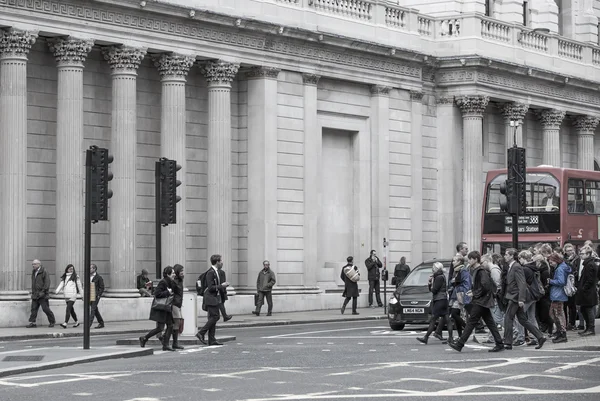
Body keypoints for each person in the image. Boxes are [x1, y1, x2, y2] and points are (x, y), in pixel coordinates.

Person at [448, 251, 504, 353]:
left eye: (470, 259)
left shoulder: (481, 271)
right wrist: (473, 291)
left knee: (471, 322)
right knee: (490, 323)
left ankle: (460, 344)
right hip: (483, 300)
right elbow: (482, 286)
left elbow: (485, 286)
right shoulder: (478, 270)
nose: (468, 261)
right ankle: (499, 343)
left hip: (481, 301)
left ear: (474, 259)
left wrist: (474, 293)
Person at [501, 248, 546, 349]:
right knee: (523, 320)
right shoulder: (512, 266)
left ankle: (508, 342)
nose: (505, 256)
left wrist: (521, 299)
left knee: (508, 318)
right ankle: (540, 337)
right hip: (514, 296)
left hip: (515, 297)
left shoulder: (516, 267)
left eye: (506, 254)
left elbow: (522, 283)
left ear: (512, 256)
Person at [139, 266, 176, 351]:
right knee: (160, 328)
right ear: (168, 274)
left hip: (166, 307)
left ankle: (165, 345)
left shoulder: (171, 282)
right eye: (173, 273)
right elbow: (157, 293)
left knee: (170, 326)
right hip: (161, 308)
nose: (174, 274)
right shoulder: (163, 282)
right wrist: (168, 292)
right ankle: (144, 338)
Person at [196, 254, 229, 346]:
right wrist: (221, 286)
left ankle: (212, 339)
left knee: (212, 318)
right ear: (217, 262)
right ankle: (201, 333)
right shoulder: (210, 272)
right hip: (210, 298)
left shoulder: (216, 272)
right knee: (215, 317)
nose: (222, 262)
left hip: (214, 297)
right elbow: (210, 288)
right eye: (221, 261)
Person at [417, 262, 451, 344]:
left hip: (439, 300)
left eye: (433, 268)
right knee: (447, 319)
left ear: (436, 269)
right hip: (443, 300)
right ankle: (451, 338)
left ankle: (426, 338)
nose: (432, 269)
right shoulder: (440, 276)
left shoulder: (438, 277)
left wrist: (430, 283)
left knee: (433, 319)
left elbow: (434, 290)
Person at [575, 245, 598, 336]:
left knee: (588, 310)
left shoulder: (590, 265)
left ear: (588, 254)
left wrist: (584, 288)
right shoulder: (588, 264)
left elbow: (590, 280)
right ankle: (588, 328)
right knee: (584, 309)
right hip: (585, 292)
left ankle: (591, 329)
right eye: (580, 253)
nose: (581, 255)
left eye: (582, 253)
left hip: (588, 292)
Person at [26, 259, 56, 328]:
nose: (33, 265)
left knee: (46, 309)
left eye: (34, 264)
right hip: (35, 294)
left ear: (39, 264)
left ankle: (52, 321)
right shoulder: (34, 271)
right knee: (33, 309)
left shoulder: (44, 271)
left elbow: (47, 283)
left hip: (43, 294)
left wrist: (43, 292)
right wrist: (33, 292)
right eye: (32, 264)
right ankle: (32, 323)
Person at [548, 253, 569, 343]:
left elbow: (561, 282)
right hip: (558, 294)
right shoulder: (562, 267)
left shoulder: (560, 269)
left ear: (556, 260)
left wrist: (550, 281)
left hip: (558, 295)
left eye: (551, 261)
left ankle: (562, 334)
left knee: (558, 314)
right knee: (553, 313)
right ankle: (560, 332)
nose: (550, 263)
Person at [55, 264, 83, 328]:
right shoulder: (64, 276)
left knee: (68, 309)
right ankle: (77, 321)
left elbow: (80, 287)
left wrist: (82, 296)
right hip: (66, 295)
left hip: (72, 295)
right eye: (70, 269)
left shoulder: (76, 276)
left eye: (72, 269)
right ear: (67, 269)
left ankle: (65, 323)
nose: (71, 270)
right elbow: (61, 284)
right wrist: (57, 291)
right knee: (71, 310)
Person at [171, 264, 185, 350]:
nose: (183, 272)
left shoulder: (180, 280)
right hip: (174, 303)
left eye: (183, 271)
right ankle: (174, 343)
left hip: (178, 303)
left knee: (178, 322)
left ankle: (174, 342)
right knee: (177, 322)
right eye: (181, 271)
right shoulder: (174, 281)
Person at [89, 264, 105, 329]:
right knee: (95, 310)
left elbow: (102, 287)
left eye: (90, 268)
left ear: (94, 269)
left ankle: (88, 324)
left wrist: (98, 295)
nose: (89, 270)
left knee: (92, 309)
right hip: (89, 294)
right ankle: (101, 322)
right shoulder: (87, 276)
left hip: (95, 295)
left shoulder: (99, 277)